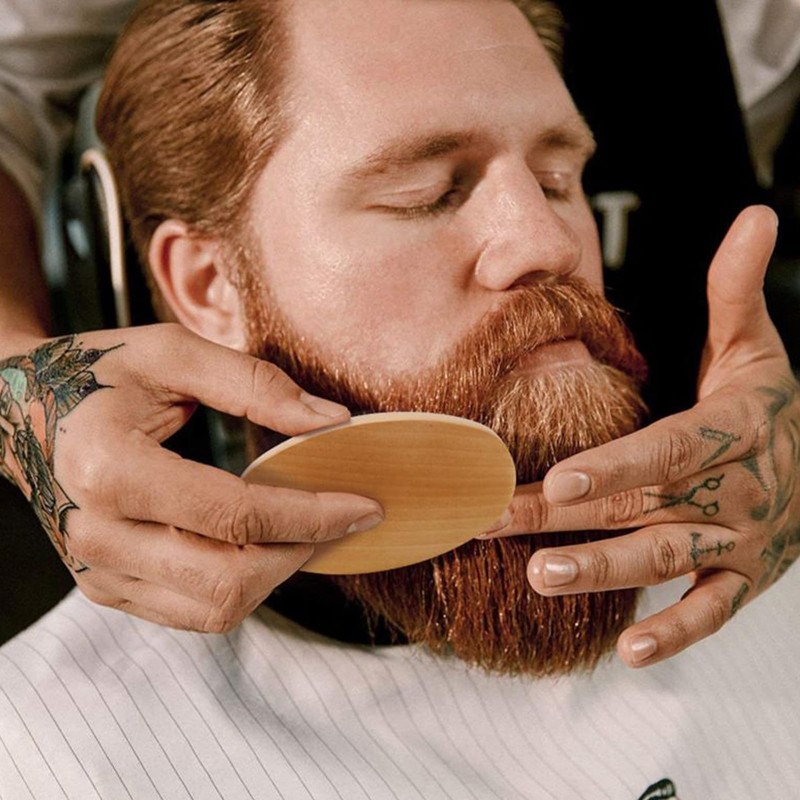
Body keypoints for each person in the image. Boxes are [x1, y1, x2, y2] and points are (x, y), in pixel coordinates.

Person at [2, 1, 799, 797]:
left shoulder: (759, 539)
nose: (551, 243)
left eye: (558, 182)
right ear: (210, 285)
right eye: (427, 194)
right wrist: (18, 389)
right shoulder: (56, 758)